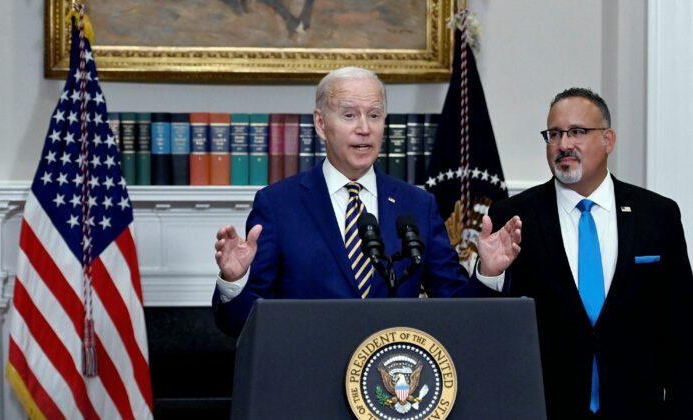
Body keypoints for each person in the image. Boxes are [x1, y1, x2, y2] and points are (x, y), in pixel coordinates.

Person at [212, 66, 522, 337]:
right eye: (349, 115)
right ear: (321, 124)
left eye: (374, 115)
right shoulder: (278, 206)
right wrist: (235, 280)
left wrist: (488, 273)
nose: (364, 128)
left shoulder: (418, 205)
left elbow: (459, 313)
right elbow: (241, 325)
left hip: (393, 388)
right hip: (308, 385)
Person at [472, 88, 693, 419]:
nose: (563, 144)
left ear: (608, 140)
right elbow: (491, 335)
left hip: (638, 410)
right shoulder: (514, 216)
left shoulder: (657, 215)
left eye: (577, 132)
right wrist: (490, 275)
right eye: (554, 134)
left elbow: (682, 329)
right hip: (546, 409)